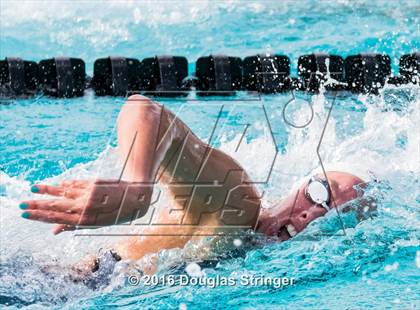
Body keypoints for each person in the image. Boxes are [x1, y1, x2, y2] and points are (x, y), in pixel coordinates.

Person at [19, 95, 371, 267]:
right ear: (299, 185)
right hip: (71, 285)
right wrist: (137, 189)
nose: (312, 215)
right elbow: (146, 110)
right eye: (318, 193)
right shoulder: (237, 202)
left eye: (334, 217)